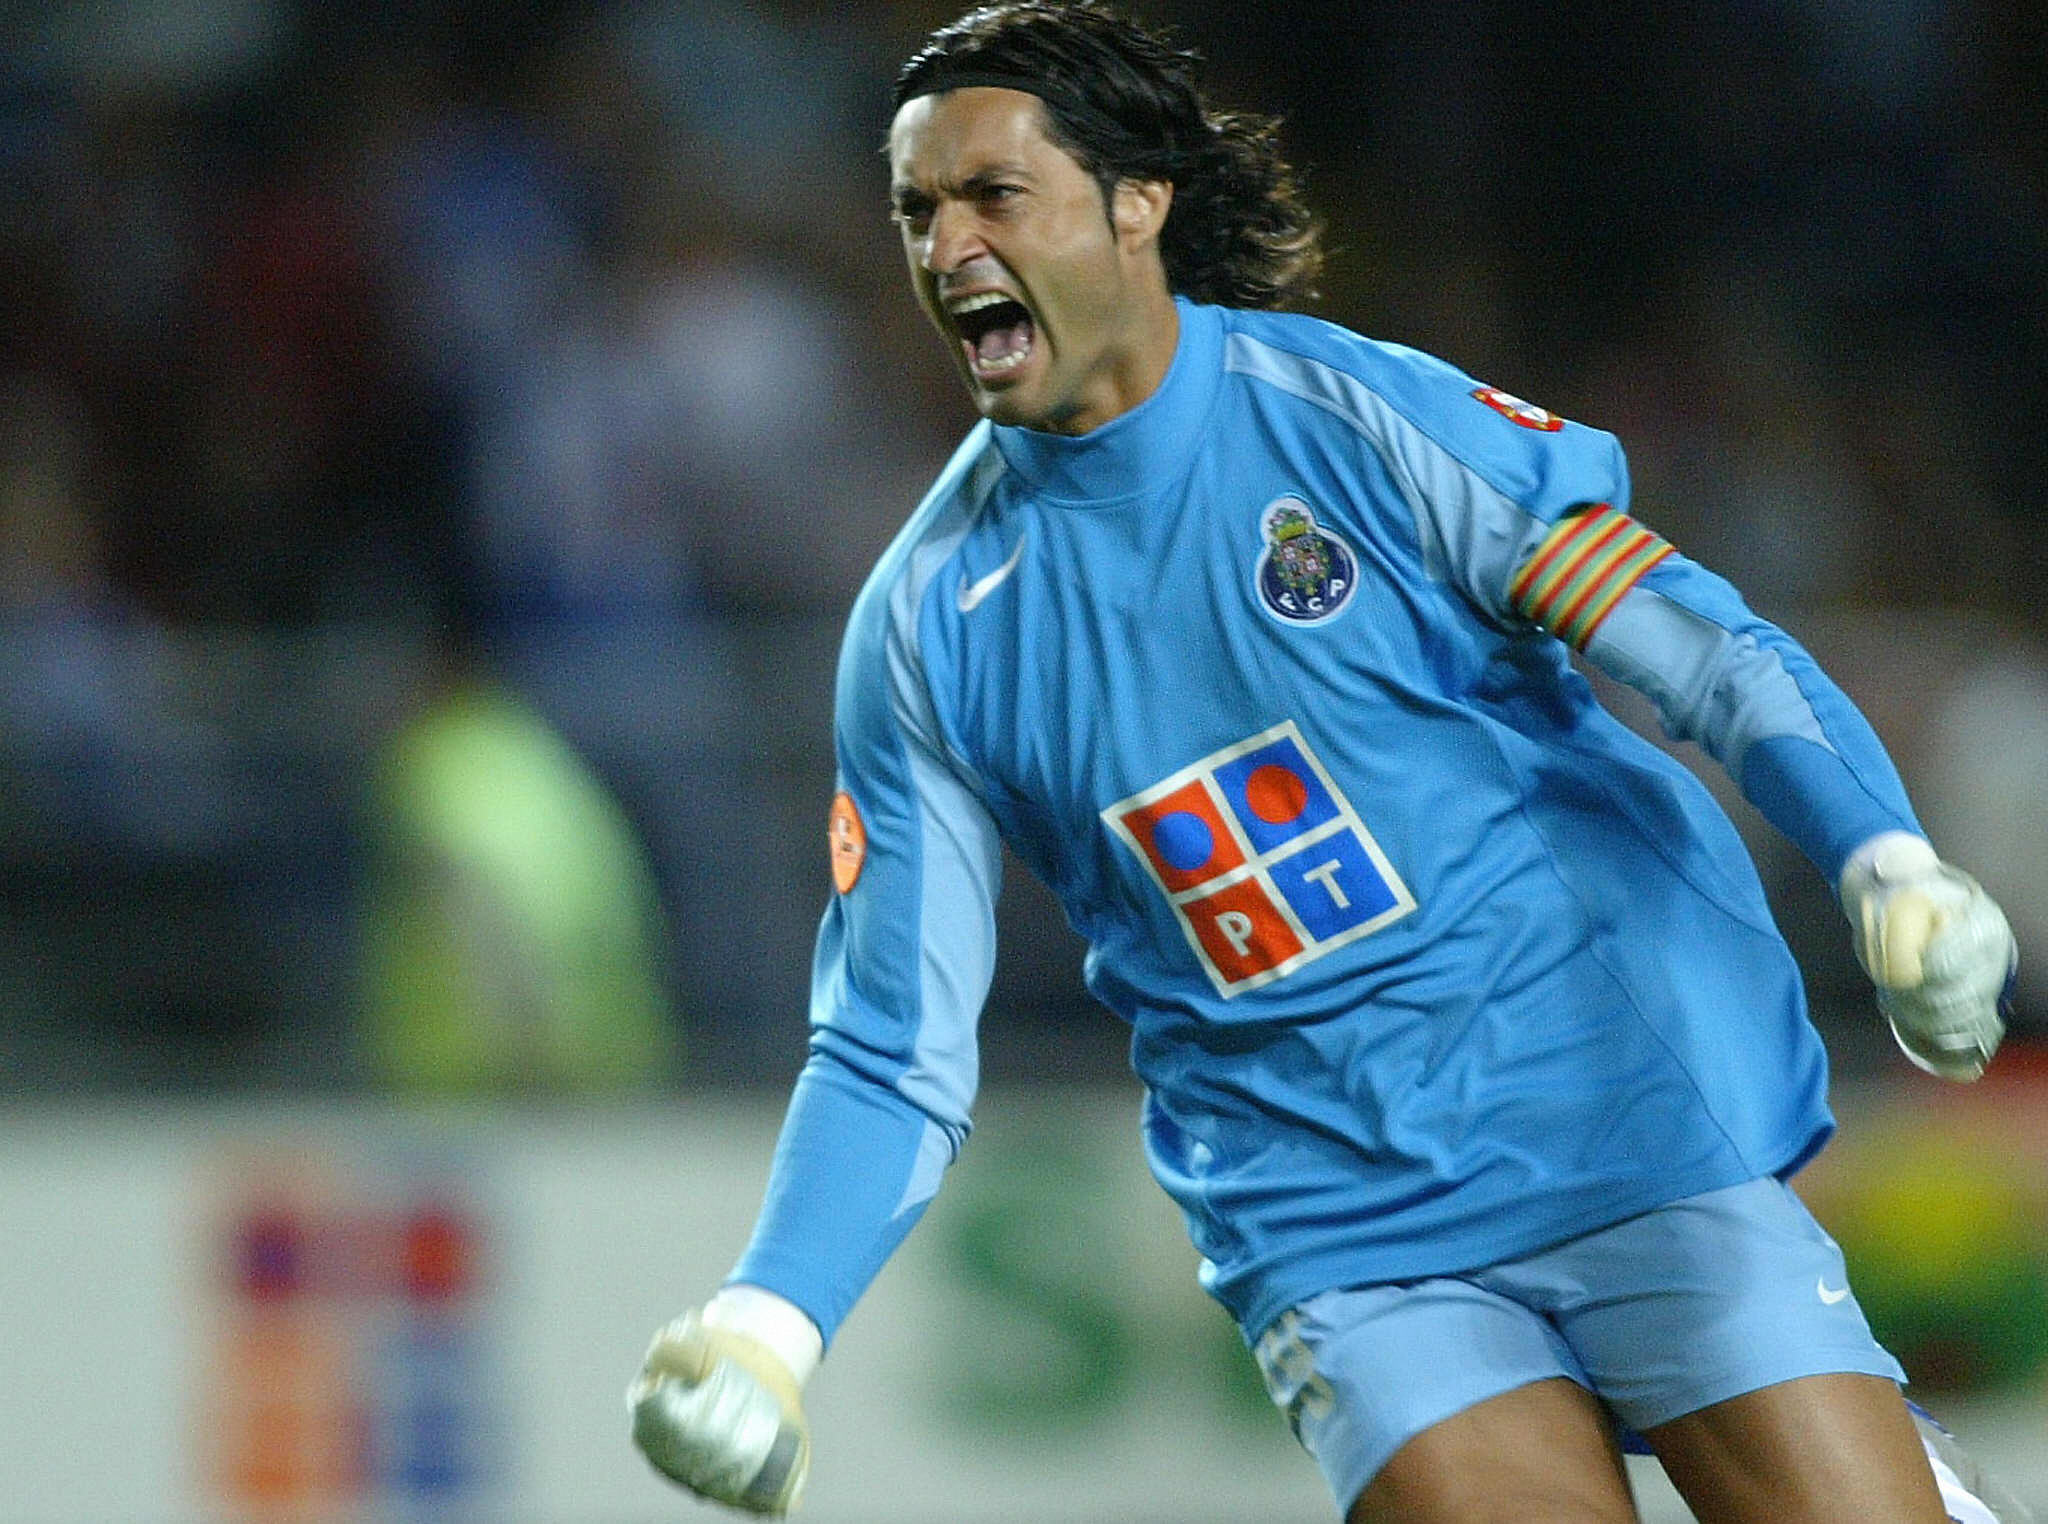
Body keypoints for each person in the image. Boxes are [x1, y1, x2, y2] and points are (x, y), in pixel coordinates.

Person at [626, 5, 2024, 1520]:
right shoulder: (927, 630)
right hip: (1339, 1221)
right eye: (917, 210)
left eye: (991, 194)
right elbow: (892, 1042)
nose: (946, 244)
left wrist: (1887, 862)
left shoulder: (1358, 424)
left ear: (1135, 200)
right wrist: (767, 1328)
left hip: (1614, 1117)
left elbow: (1700, 654)